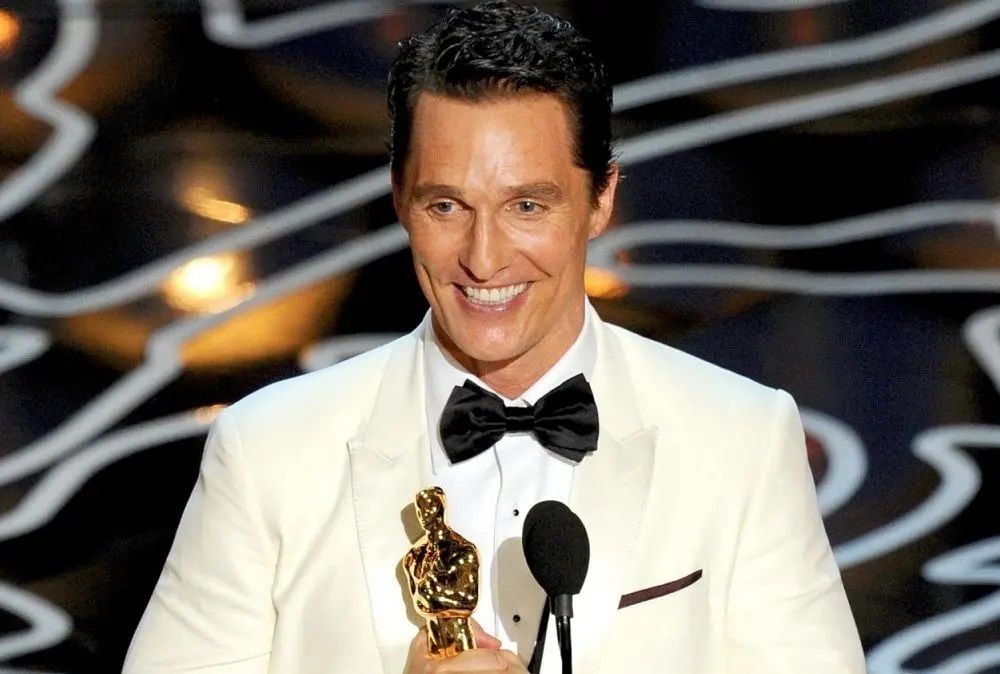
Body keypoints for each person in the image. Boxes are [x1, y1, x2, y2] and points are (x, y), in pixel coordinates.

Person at [124, 2, 867, 673]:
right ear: (400, 200)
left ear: (601, 199)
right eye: (446, 206)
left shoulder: (740, 439)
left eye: (527, 206)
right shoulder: (268, 450)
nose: (484, 259)